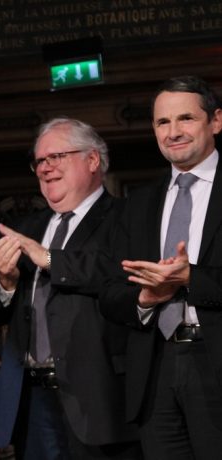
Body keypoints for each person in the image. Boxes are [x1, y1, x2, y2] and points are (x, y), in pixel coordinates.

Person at [0, 118, 141, 459]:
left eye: (56, 157)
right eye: (39, 161)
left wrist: (49, 259)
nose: (45, 168)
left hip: (99, 399)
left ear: (92, 160)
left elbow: (119, 275)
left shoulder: (127, 217)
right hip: (32, 400)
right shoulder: (27, 226)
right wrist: (5, 283)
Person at [100, 76, 222, 459]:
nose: (174, 132)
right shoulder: (137, 204)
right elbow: (109, 292)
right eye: (162, 122)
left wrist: (191, 278)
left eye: (185, 118)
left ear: (215, 121)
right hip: (155, 369)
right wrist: (146, 297)